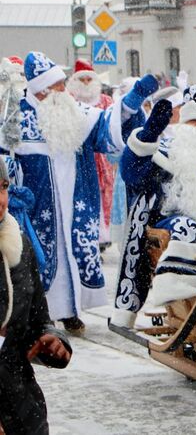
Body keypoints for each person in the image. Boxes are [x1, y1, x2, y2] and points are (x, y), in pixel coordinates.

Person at [2, 52, 154, 335]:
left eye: (63, 84)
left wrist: (131, 102)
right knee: (38, 259)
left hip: (74, 202)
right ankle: (40, 316)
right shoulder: (16, 115)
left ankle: (70, 312)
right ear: (42, 89)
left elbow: (104, 125)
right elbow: (3, 155)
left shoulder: (72, 111)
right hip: (36, 206)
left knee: (73, 254)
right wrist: (10, 179)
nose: (64, 91)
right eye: (58, 86)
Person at [114, 85, 196, 322]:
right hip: (173, 219)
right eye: (194, 121)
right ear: (183, 124)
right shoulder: (166, 153)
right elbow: (130, 172)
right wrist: (149, 134)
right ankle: (182, 302)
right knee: (187, 230)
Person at [0, 159, 73, 435]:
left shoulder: (19, 245)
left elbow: (38, 320)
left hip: (22, 408)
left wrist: (54, 341)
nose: (1, 199)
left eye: (3, 187)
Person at [67, 59, 117, 251]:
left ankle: (102, 238)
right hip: (79, 158)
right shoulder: (69, 101)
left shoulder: (106, 101)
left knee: (104, 196)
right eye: (82, 79)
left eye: (90, 79)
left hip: (103, 160)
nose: (86, 83)